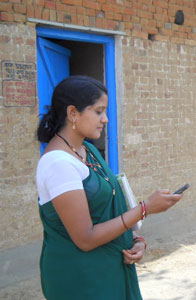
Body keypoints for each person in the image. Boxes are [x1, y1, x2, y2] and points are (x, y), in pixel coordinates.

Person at [36, 75, 182, 300]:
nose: (105, 119)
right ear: (73, 113)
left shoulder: (87, 150)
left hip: (110, 267)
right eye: (98, 111)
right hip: (82, 279)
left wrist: (135, 240)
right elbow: (85, 238)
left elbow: (107, 210)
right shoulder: (59, 164)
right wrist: (145, 208)